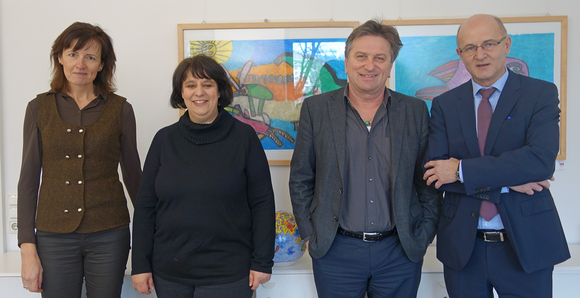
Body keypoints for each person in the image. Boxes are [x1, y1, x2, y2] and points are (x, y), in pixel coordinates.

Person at [289, 19, 442, 298]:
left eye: (379, 58)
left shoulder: (415, 111)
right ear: (346, 62)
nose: (369, 66)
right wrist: (311, 234)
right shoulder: (316, 109)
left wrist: (423, 234)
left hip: (400, 252)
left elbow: (426, 180)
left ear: (390, 65)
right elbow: (301, 176)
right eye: (361, 56)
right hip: (336, 251)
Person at [423, 14, 570, 298]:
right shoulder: (444, 104)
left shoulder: (540, 94)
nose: (480, 54)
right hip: (464, 249)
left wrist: (461, 171)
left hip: (527, 245)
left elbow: (540, 162)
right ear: (460, 55)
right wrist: (508, 180)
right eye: (470, 47)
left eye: (489, 43)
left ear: (507, 45)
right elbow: (435, 172)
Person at [131, 54, 275, 298]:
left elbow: (262, 203)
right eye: (191, 85)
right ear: (181, 93)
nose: (199, 92)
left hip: (229, 274)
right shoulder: (164, 140)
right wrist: (140, 265)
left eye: (207, 84)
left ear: (220, 91)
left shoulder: (245, 138)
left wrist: (262, 261)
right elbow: (146, 207)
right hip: (169, 273)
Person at [17, 22, 142, 297]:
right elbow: (28, 180)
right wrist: (27, 247)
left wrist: (149, 240)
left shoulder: (121, 109)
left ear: (101, 64)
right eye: (73, 54)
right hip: (53, 235)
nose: (80, 64)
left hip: (109, 233)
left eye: (90, 56)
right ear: (59, 57)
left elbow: (134, 178)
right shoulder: (38, 108)